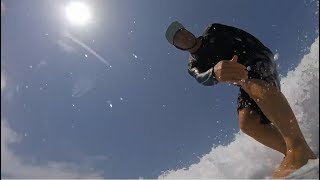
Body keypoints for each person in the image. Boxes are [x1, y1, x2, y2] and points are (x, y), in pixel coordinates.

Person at [165, 21, 317, 178]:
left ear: (188, 30)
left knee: (246, 80)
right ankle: (289, 152)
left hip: (258, 57)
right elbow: (200, 77)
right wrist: (213, 73)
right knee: (247, 123)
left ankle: (298, 148)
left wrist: (257, 59)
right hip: (244, 81)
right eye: (178, 40)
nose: (183, 37)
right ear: (179, 48)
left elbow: (246, 39)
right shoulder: (193, 64)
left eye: (183, 32)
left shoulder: (214, 30)